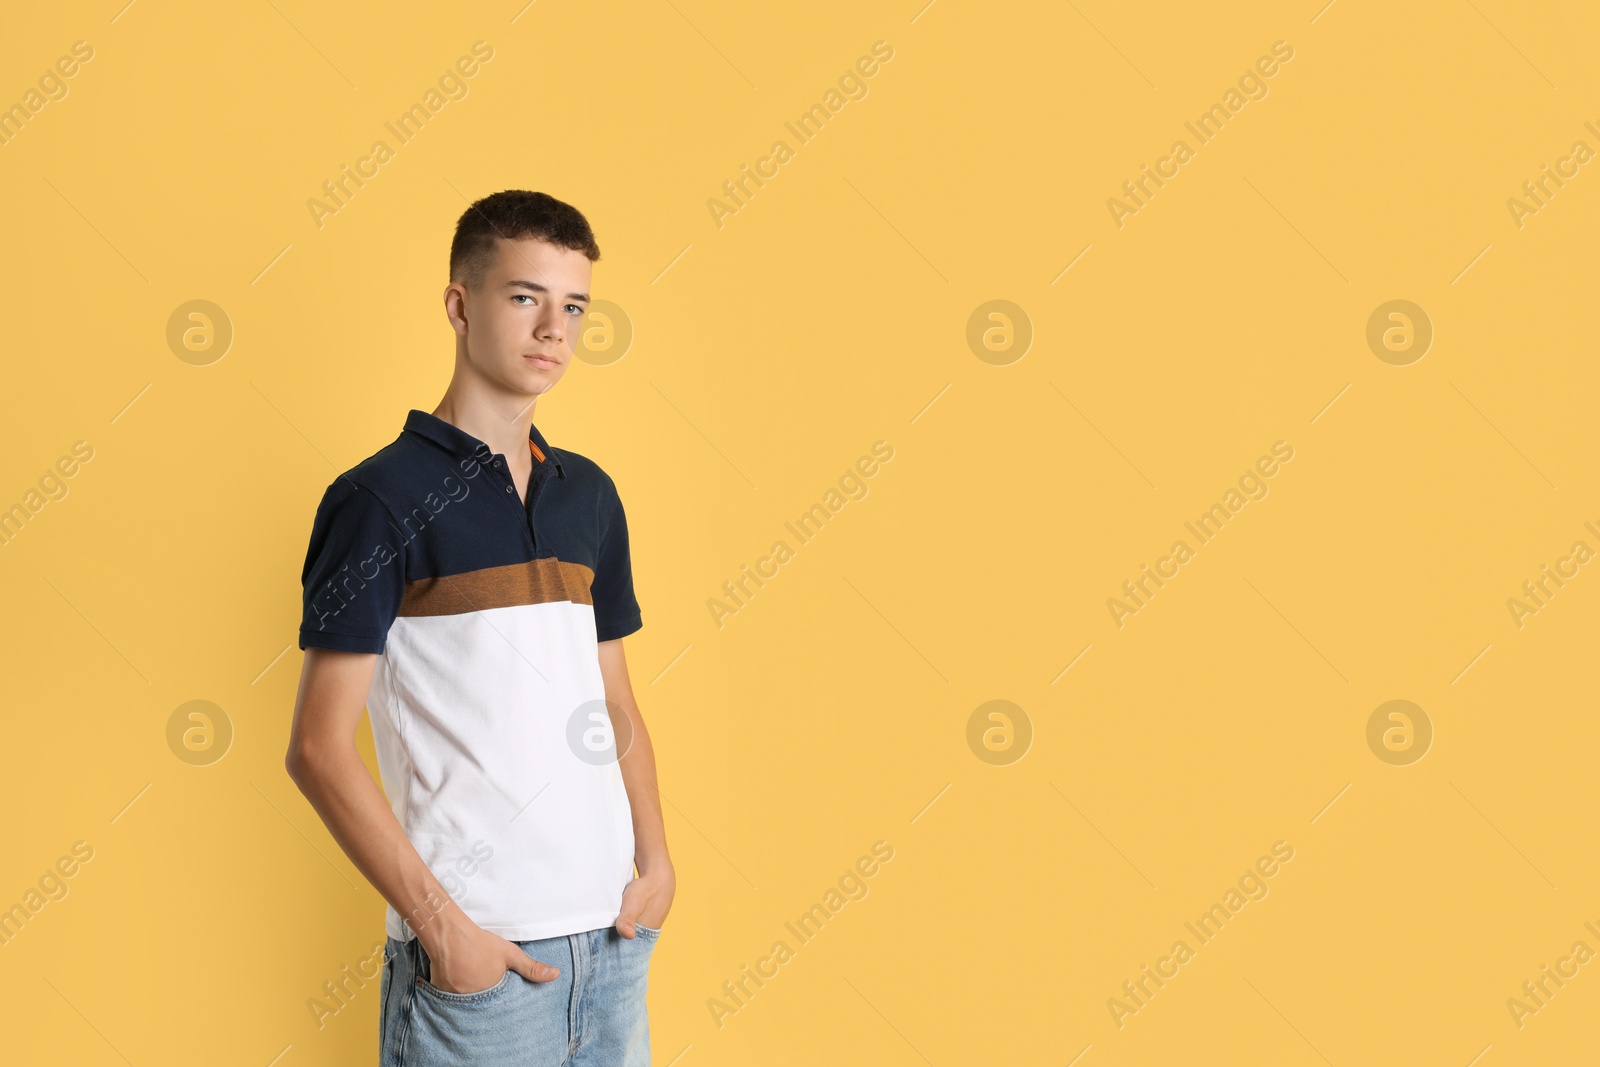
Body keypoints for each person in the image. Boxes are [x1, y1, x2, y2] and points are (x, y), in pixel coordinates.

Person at [285, 189, 673, 1066]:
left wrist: (656, 865)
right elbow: (316, 748)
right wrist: (446, 934)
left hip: (613, 945)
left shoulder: (591, 496)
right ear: (460, 305)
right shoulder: (376, 500)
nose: (554, 330)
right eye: (525, 297)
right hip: (482, 965)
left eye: (573, 307)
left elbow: (613, 699)